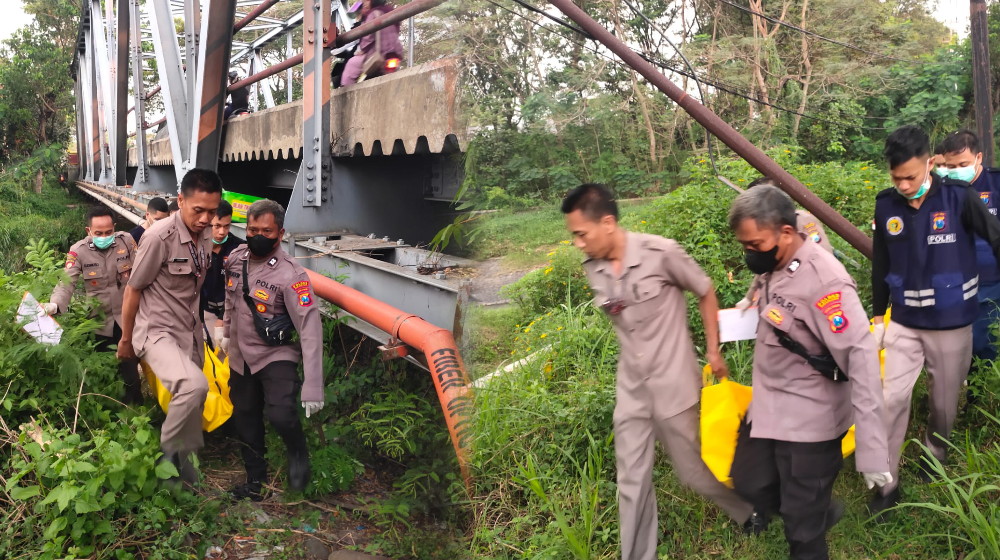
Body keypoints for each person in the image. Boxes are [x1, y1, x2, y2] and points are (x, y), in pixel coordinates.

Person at [561, 183, 753, 560]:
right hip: (632, 389)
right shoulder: (594, 268)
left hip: (674, 384)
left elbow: (705, 289)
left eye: (581, 234)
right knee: (631, 480)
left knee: (695, 474)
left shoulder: (660, 252)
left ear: (608, 223)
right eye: (574, 237)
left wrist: (713, 351)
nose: (578, 244)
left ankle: (749, 511)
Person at [727, 185, 890, 560]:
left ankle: (810, 513)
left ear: (786, 233)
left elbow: (862, 363)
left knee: (802, 535)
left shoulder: (826, 283)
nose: (750, 254)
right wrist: (755, 289)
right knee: (749, 482)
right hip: (769, 401)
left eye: (755, 245)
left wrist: (872, 451)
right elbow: (772, 279)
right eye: (745, 246)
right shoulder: (781, 247)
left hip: (811, 416)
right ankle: (815, 506)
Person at [870, 125, 1000, 517]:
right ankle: (884, 484)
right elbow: (881, 264)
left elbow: (996, 237)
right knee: (889, 399)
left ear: (930, 164)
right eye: (896, 178)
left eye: (911, 175)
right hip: (905, 322)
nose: (904, 184)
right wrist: (878, 316)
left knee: (943, 405)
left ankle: (935, 453)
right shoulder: (886, 205)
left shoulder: (959, 198)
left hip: (952, 322)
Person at [117, 168, 222, 484]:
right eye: (198, 210)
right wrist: (126, 340)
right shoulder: (157, 237)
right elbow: (134, 289)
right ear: (181, 201)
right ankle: (167, 457)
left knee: (193, 400)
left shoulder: (204, 235)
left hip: (189, 330)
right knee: (194, 385)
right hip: (157, 330)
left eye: (212, 212)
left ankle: (185, 473)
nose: (205, 219)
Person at [222, 199, 324, 501]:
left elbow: (309, 327)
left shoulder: (292, 275)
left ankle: (297, 453)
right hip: (240, 355)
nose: (258, 236)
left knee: (281, 414)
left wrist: (314, 385)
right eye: (252, 229)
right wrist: (225, 333)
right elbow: (230, 300)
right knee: (245, 417)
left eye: (266, 231)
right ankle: (255, 480)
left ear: (280, 234)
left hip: (274, 354)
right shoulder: (235, 258)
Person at [44, 206, 142, 404]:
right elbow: (66, 282)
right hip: (99, 321)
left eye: (108, 232)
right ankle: (108, 409)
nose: (104, 236)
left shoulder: (127, 241)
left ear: (114, 228)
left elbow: (143, 271)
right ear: (88, 231)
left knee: (130, 368)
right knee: (103, 368)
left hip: (128, 318)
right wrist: (54, 305)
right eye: (99, 233)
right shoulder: (78, 251)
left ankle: (136, 408)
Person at [936, 130, 1000, 372]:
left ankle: (978, 401)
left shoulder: (995, 184)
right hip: (953, 285)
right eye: (950, 166)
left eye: (963, 164)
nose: (956, 170)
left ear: (979, 158)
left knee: (985, 346)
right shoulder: (942, 191)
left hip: (990, 284)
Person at [735, 177, 833, 311]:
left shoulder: (803, 220)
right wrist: (749, 296)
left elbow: (823, 256)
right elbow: (766, 261)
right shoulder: (764, 228)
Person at [201, 200, 243, 348]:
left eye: (227, 226)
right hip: (204, 309)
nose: (221, 232)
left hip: (231, 311)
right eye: (217, 226)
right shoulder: (197, 246)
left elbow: (238, 289)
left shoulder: (238, 248)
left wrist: (222, 318)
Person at [339, 0, 402, 86]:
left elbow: (367, 39)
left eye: (367, 1)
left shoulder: (372, 14)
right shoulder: (391, 11)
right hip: (395, 52)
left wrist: (361, 50)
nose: (365, 3)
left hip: (378, 52)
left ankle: (344, 92)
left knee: (352, 64)